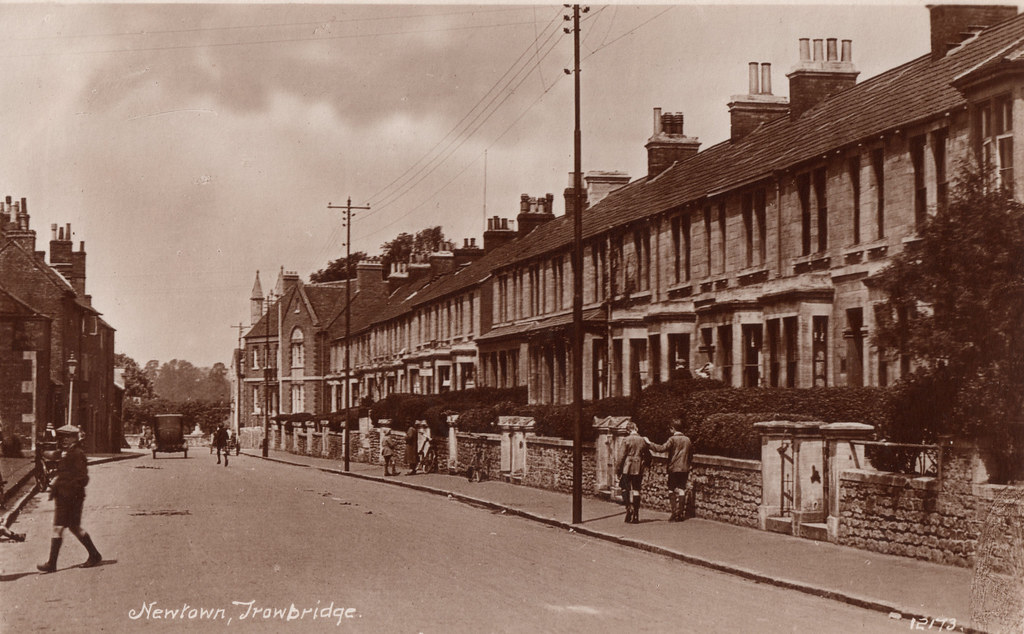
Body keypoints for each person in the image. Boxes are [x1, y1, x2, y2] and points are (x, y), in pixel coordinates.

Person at [37, 430, 102, 572]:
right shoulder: (67, 452)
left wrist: (70, 491)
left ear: (75, 438)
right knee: (72, 527)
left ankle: (52, 564)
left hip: (71, 498)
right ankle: (94, 554)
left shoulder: (77, 453)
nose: (65, 440)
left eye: (68, 437)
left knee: (63, 528)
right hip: (63, 497)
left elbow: (83, 478)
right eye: (63, 437)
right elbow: (62, 473)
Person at [646, 419, 693, 522]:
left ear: (673, 428)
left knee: (671, 489)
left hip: (674, 468)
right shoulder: (688, 440)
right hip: (684, 468)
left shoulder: (672, 439)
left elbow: (662, 448)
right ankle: (680, 514)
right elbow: (690, 456)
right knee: (681, 489)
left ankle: (674, 513)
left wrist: (649, 443)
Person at [615, 422, 651, 524]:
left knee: (624, 487)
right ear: (636, 428)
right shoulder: (642, 440)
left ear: (628, 430)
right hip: (638, 466)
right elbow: (647, 454)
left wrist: (618, 469)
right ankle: (636, 514)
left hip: (628, 466)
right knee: (636, 489)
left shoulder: (626, 439)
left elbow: (621, 456)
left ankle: (628, 507)